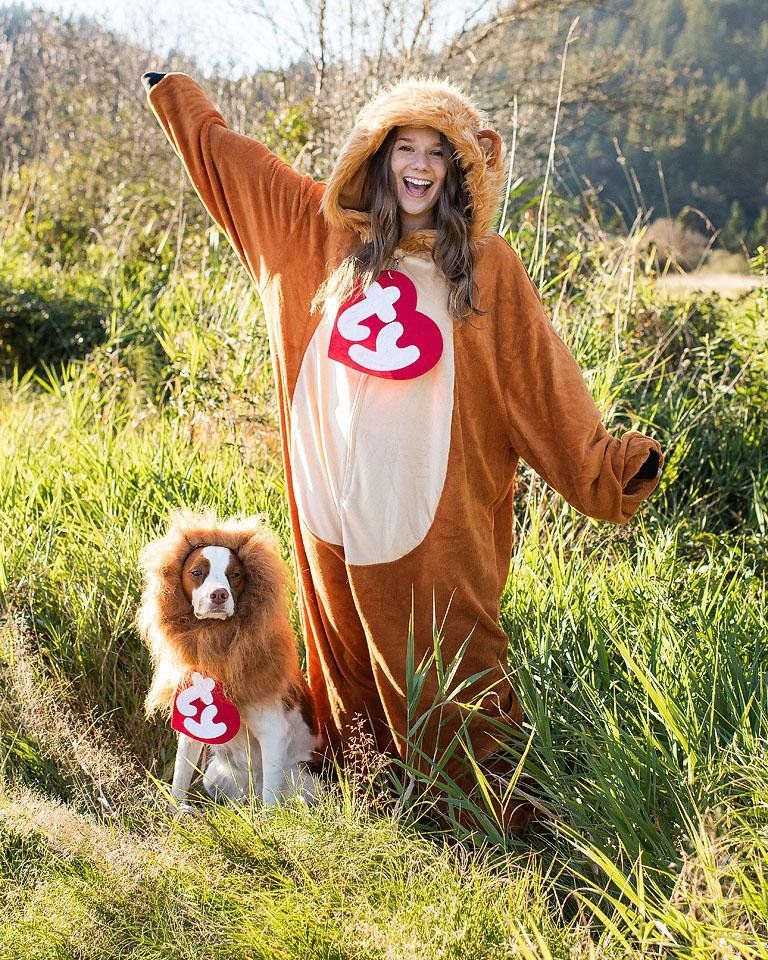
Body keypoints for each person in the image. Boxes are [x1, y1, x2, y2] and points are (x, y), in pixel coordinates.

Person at [141, 71, 664, 832]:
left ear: (462, 169)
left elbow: (542, 380)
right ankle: (372, 810)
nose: (418, 166)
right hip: (333, 519)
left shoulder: (487, 269)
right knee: (346, 669)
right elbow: (234, 167)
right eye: (404, 147)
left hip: (435, 520)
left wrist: (605, 467)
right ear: (377, 156)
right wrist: (179, 97)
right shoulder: (317, 232)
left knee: (458, 665)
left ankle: (491, 826)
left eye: (438, 153)